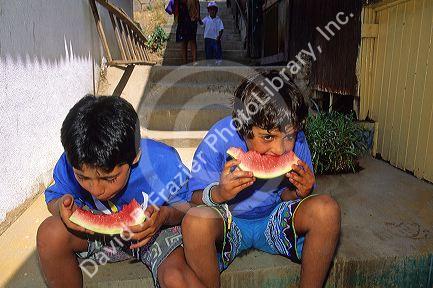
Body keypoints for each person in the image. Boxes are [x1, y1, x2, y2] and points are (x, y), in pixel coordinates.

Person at [182, 71, 341, 288]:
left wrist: (299, 193)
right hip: (229, 221)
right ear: (243, 128)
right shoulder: (218, 138)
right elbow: (193, 198)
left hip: (274, 219)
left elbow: (285, 195)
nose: (279, 149)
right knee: (194, 221)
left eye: (288, 136)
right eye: (267, 137)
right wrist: (219, 193)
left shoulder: (299, 142)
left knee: (327, 210)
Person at [36, 95, 204, 288]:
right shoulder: (70, 161)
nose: (97, 190)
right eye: (83, 178)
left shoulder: (162, 162)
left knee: (176, 278)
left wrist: (165, 216)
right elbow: (54, 198)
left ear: (135, 156)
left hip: (155, 232)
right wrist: (62, 208)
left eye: (109, 178)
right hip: (95, 234)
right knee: (49, 234)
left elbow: (189, 205)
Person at [173, 0, 201, 64]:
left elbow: (197, 2)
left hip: (192, 17)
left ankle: (194, 61)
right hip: (182, 17)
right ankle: (184, 62)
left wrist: (198, 15)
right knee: (184, 41)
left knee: (192, 39)